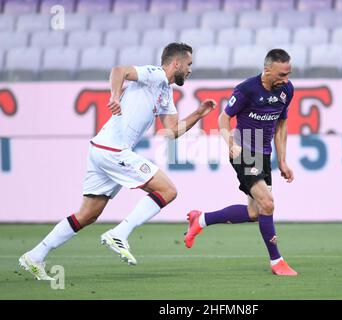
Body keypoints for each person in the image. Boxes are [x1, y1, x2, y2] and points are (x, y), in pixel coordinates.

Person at [19, 42, 216, 280]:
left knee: (88, 214)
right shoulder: (153, 74)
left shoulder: (165, 90)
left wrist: (198, 114)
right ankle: (119, 233)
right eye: (189, 64)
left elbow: (172, 130)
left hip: (102, 149)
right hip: (113, 149)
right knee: (168, 190)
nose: (190, 70)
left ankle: (35, 255)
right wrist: (114, 97)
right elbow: (119, 70)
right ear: (176, 63)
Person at [184, 49, 297, 276]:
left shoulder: (286, 90)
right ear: (267, 70)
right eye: (282, 74)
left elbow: (281, 125)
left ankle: (201, 219)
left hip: (263, 154)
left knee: (255, 212)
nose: (286, 79)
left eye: (288, 74)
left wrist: (282, 160)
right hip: (243, 149)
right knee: (268, 203)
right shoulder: (247, 89)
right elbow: (223, 118)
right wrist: (230, 144)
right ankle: (277, 262)